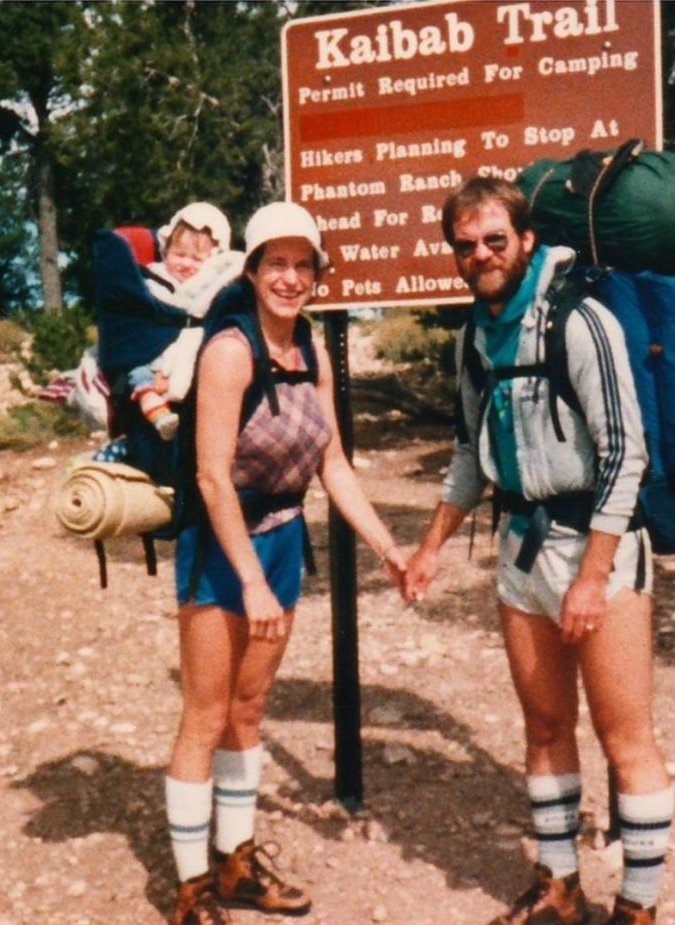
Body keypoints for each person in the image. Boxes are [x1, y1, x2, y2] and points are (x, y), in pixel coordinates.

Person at [402, 177, 675, 925]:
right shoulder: (474, 338)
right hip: (521, 550)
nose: (481, 256)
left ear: (526, 240)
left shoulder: (579, 322)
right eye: (466, 246)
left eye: (495, 240)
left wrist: (592, 576)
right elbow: (468, 453)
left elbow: (627, 454)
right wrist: (429, 548)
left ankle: (640, 907)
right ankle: (559, 885)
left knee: (625, 735)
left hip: (599, 549)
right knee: (546, 726)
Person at [165, 201, 409, 925]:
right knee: (206, 716)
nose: (291, 278)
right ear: (251, 268)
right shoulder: (230, 352)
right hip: (222, 546)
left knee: (249, 710)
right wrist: (246, 579)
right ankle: (191, 889)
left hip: (279, 541)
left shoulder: (312, 352)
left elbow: (332, 461)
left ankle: (236, 860)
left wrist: (388, 548)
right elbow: (211, 477)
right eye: (277, 262)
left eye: (305, 265)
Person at [131, 202, 245, 440]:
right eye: (179, 255)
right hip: (150, 348)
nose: (185, 264)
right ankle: (151, 402)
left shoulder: (212, 286)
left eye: (196, 258)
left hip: (185, 353)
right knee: (135, 365)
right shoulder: (153, 278)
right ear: (165, 251)